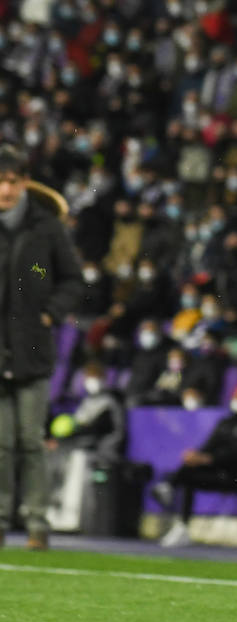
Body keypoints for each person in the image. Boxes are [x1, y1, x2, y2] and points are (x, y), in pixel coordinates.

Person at [0, 144, 83, 550]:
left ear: (25, 183)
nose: (5, 189)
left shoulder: (47, 226)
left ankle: (37, 523)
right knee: (0, 442)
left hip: (32, 347)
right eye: (0, 181)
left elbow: (72, 278)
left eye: (12, 181)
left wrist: (50, 311)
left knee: (31, 441)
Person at [152, 384, 237, 548]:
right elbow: (209, 445)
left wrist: (209, 459)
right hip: (219, 471)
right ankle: (180, 521)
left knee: (191, 474)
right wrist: (197, 456)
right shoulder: (226, 422)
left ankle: (170, 488)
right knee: (190, 472)